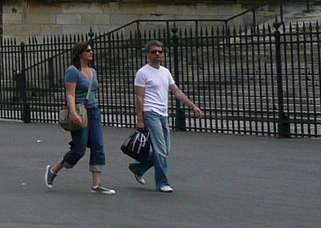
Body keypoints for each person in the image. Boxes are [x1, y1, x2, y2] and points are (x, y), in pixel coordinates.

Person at [130, 41, 204, 193]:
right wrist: (140, 119)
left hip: (163, 113)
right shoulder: (143, 73)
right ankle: (162, 182)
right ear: (147, 54)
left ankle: (138, 166)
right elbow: (139, 97)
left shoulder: (165, 72)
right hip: (150, 112)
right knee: (160, 149)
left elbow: (176, 92)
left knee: (164, 149)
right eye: (153, 52)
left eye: (159, 51)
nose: (157, 54)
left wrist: (192, 105)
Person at [45, 41, 114, 194]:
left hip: (93, 110)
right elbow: (70, 93)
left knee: (98, 146)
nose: (91, 53)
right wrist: (74, 113)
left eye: (91, 50)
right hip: (80, 110)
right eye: (88, 50)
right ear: (79, 53)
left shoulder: (93, 72)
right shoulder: (73, 71)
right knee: (79, 149)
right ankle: (54, 170)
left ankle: (97, 184)